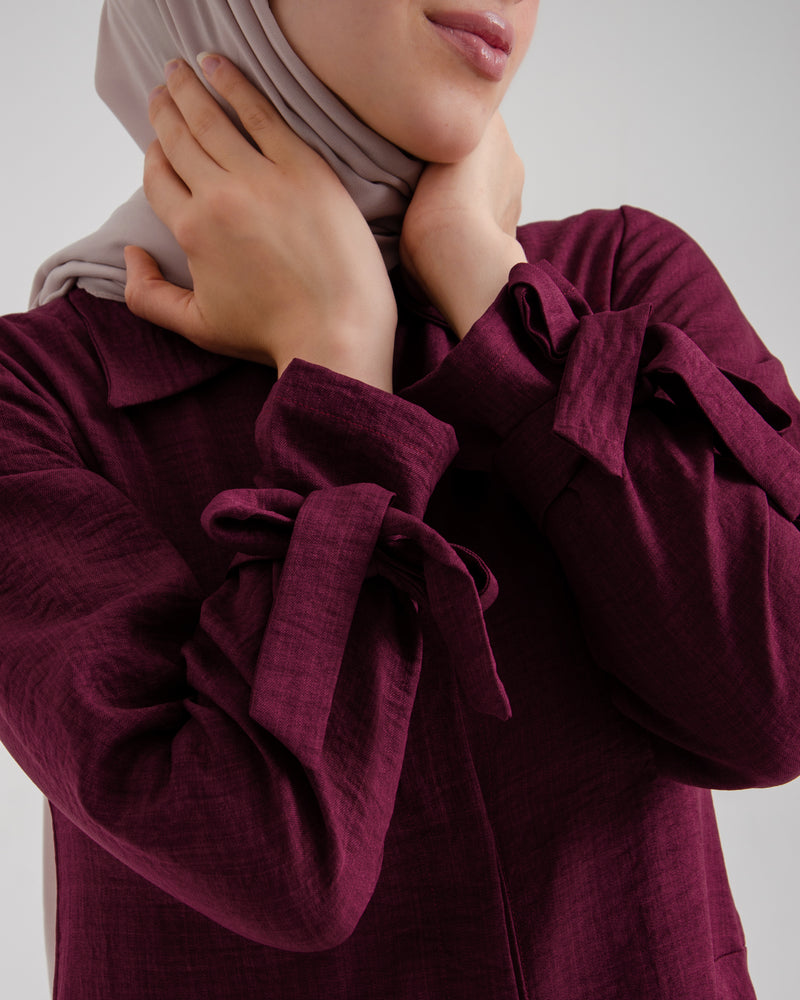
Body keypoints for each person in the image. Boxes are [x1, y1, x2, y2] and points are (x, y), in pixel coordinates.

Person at [1, 0, 799, 997]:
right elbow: (274, 860)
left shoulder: (617, 284)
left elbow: (770, 708)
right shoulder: (34, 401)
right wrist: (334, 351)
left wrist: (484, 280)